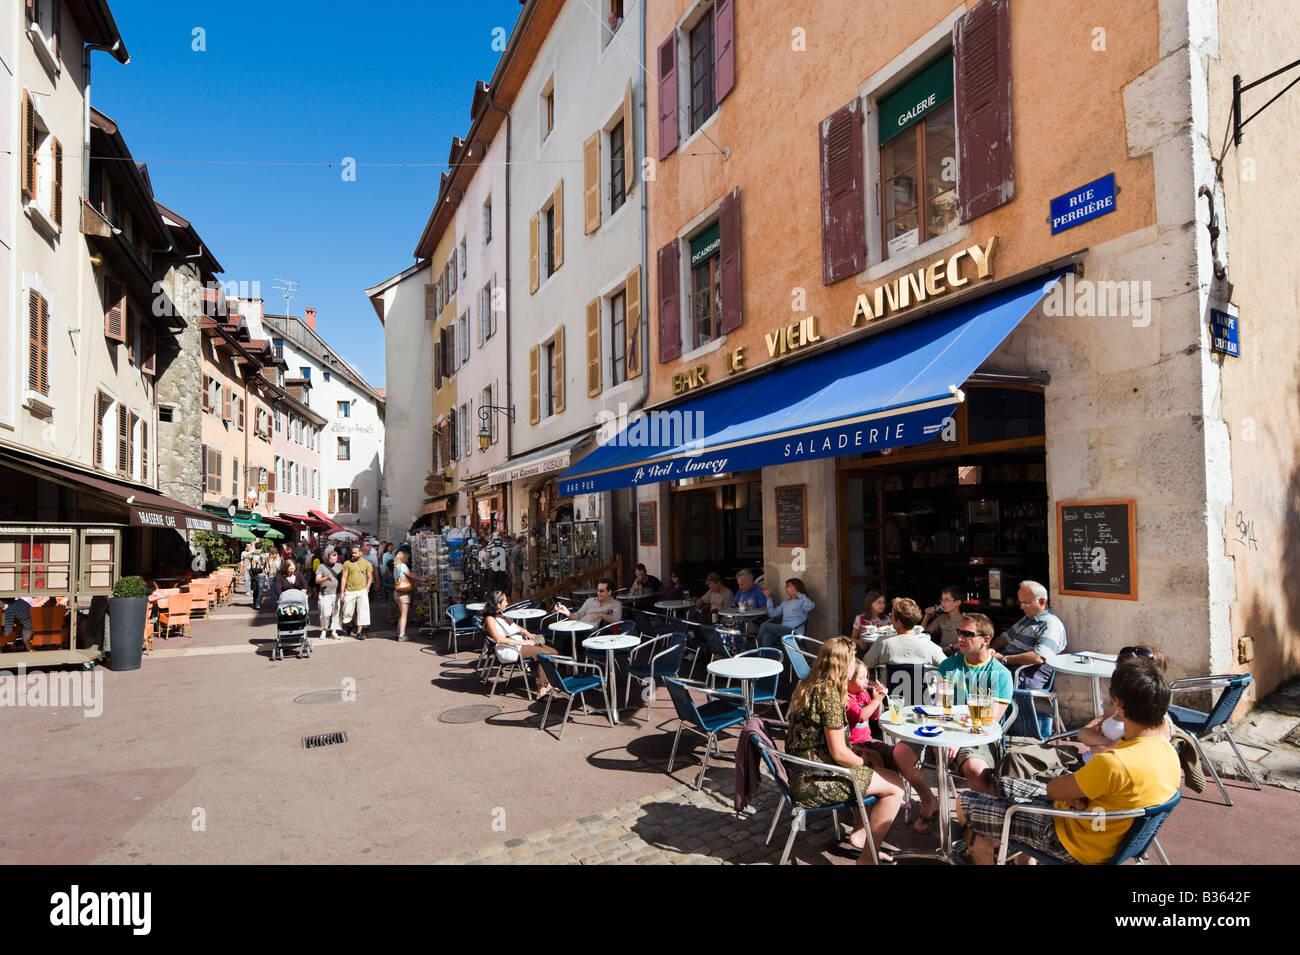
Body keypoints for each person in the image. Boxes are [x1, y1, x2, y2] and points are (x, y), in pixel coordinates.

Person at [956, 661, 1181, 865]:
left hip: (1070, 838)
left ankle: (986, 849)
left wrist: (1075, 794)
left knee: (964, 801)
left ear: (1119, 703)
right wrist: (1079, 794)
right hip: (1104, 835)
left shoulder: (1115, 762)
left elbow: (1054, 789)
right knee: (1004, 783)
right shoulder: (1167, 752)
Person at [785, 636, 905, 864]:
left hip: (802, 769)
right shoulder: (830, 696)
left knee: (880, 765)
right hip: (815, 780)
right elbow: (840, 754)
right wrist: (866, 765)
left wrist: (865, 759)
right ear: (843, 664)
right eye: (852, 660)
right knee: (895, 787)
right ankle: (867, 858)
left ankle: (862, 834)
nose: (855, 664)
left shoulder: (808, 684)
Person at [892, 612, 1013, 831]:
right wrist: (944, 737)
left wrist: (957, 740)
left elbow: (990, 720)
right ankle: (929, 800)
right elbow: (939, 706)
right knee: (901, 752)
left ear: (986, 639)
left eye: (968, 634)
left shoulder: (1000, 674)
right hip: (942, 729)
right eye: (959, 633)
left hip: (977, 735)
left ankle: (983, 824)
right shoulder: (949, 665)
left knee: (976, 769)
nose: (960, 638)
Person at [991, 580, 1067, 689]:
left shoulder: (1051, 625)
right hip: (1006, 667)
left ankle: (974, 704)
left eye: (1025, 603)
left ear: (1042, 601)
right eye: (1020, 602)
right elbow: (1005, 637)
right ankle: (967, 703)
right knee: (964, 669)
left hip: (1023, 674)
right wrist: (992, 649)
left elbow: (1038, 657)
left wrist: (1004, 659)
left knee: (973, 676)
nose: (1021, 607)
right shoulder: (1027, 619)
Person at [483, 590, 559, 695]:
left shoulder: (500, 614)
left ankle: (550, 683)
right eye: (505, 601)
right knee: (545, 655)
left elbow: (513, 625)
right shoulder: (490, 619)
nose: (507, 603)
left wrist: (525, 632)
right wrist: (524, 643)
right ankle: (542, 689)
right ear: (497, 604)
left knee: (554, 652)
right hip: (508, 649)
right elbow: (499, 639)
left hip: (517, 644)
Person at [861, 598, 946, 669]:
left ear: (898, 622)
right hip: (920, 689)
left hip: (888, 689)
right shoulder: (928, 645)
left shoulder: (882, 644)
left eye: (892, 616)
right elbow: (949, 667)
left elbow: (865, 665)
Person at [846, 659, 896, 769]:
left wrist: (877, 699)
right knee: (880, 756)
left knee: (894, 753)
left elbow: (875, 716)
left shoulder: (863, 694)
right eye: (861, 678)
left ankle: (891, 780)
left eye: (867, 677)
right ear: (848, 679)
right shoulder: (847, 698)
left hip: (866, 741)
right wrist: (876, 701)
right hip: (852, 744)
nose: (866, 681)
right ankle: (882, 780)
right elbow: (861, 716)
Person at [756, 578, 814, 650]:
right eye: (786, 586)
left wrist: (798, 594)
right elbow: (772, 614)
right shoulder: (785, 603)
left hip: (793, 632)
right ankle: (767, 659)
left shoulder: (802, 601)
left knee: (764, 625)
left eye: (789, 585)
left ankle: (758, 649)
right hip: (783, 631)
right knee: (767, 637)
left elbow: (811, 606)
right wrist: (769, 598)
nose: (787, 588)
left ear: (797, 586)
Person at [340, 544, 374, 639]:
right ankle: (350, 624)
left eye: (355, 553)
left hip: (362, 591)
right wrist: (342, 592)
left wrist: (367, 588)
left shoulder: (367, 563)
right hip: (349, 590)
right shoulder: (347, 563)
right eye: (352, 552)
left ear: (360, 553)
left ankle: (359, 632)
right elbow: (344, 577)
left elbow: (370, 577)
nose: (353, 554)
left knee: (362, 612)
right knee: (346, 611)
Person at [391, 549, 425, 642]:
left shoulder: (396, 567)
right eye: (406, 558)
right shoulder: (402, 566)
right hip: (403, 593)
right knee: (404, 615)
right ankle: (402, 635)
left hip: (396, 592)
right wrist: (423, 579)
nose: (407, 560)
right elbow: (411, 575)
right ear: (403, 557)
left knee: (401, 614)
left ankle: (398, 633)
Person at [557, 579, 622, 626]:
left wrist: (600, 615)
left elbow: (615, 619)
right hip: (579, 626)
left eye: (601, 591)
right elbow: (579, 615)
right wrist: (567, 612)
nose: (598, 593)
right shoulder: (590, 600)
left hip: (593, 632)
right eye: (598, 590)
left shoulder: (615, 604)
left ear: (609, 592)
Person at [922, 585, 966, 653]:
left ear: (957, 603)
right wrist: (926, 616)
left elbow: (970, 640)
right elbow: (922, 634)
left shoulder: (966, 620)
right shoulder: (941, 618)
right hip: (941, 654)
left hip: (958, 655)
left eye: (947, 600)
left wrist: (950, 647)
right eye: (942, 599)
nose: (942, 603)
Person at [315, 550, 343, 638]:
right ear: (327, 558)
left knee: (337, 613)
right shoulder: (321, 566)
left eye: (336, 558)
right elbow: (317, 580)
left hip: (337, 593)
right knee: (325, 613)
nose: (334, 560)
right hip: (325, 594)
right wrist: (326, 578)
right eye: (332, 559)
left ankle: (334, 631)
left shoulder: (340, 566)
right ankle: (324, 630)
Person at [509, 536, 528, 602]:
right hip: (516, 572)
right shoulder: (516, 550)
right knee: (516, 589)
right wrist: (514, 577)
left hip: (518, 572)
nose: (526, 543)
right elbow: (512, 563)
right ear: (522, 541)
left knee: (517, 588)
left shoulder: (519, 549)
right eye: (525, 541)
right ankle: (515, 603)